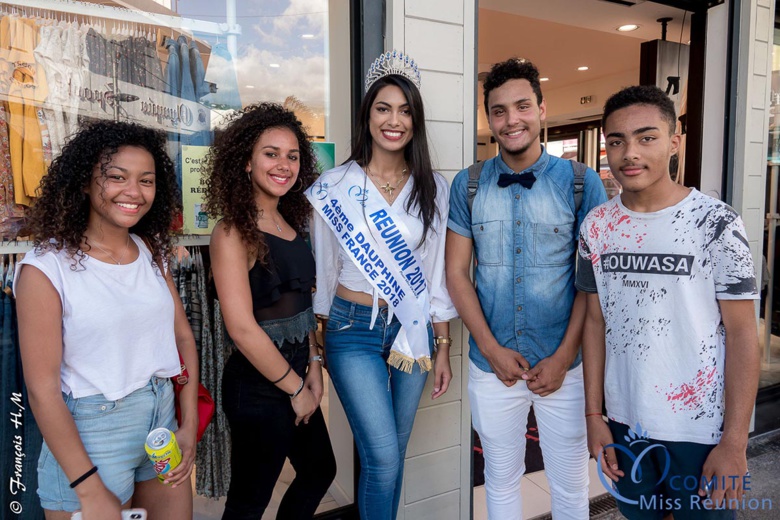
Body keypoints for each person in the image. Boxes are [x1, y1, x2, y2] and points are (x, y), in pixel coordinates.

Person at [577, 85, 759, 519]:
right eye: (617, 141)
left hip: (701, 431)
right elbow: (593, 323)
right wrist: (594, 415)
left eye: (647, 137)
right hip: (626, 425)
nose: (630, 153)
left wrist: (734, 441)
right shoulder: (596, 226)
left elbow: (742, 335)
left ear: (674, 142)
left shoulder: (716, 223)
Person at [446, 57, 607, 519]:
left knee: (571, 485)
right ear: (489, 119)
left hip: (566, 364)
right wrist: (491, 348)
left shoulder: (581, 183)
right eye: (499, 111)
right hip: (492, 365)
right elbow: (457, 273)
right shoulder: (469, 184)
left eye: (521, 106)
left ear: (541, 109)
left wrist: (562, 356)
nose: (511, 119)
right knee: (499, 479)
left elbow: (589, 283)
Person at [15, 120, 198, 520]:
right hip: (92, 434)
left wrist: (188, 427)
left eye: (146, 180)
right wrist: (87, 485)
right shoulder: (46, 269)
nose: (133, 192)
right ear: (84, 182)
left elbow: (182, 339)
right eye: (117, 177)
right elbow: (42, 389)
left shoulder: (151, 252)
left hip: (160, 417)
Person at [306, 50, 457, 520]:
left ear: (416, 120)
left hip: (411, 328)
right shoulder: (335, 185)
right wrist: (318, 343)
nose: (394, 120)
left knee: (391, 455)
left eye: (406, 110)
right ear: (367, 114)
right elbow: (324, 270)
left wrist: (443, 342)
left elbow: (433, 270)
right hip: (352, 330)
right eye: (384, 108)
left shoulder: (432, 186)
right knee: (383, 456)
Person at [205, 103, 336, 519]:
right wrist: (296, 390)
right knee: (249, 501)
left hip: (298, 370)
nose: (284, 164)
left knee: (319, 470)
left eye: (293, 155)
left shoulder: (292, 224)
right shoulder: (230, 231)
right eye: (271, 153)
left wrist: (314, 364)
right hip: (258, 387)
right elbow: (242, 329)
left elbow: (303, 307)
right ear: (246, 161)